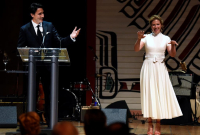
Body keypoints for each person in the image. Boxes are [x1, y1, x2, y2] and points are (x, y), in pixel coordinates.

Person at [17, 2, 81, 126]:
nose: (42, 16)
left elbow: (59, 42)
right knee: (31, 95)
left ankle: (51, 123)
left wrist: (71, 37)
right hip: (32, 67)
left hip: (48, 67)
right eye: (39, 14)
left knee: (50, 95)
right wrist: (28, 50)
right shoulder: (24, 29)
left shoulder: (49, 26)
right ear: (32, 14)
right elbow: (19, 48)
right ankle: (30, 123)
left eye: (43, 13)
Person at [134, 15, 183, 135]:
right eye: (153, 25)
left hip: (160, 68)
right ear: (151, 26)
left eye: (157, 24)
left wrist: (172, 46)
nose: (155, 27)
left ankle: (158, 125)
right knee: (149, 95)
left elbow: (172, 54)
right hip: (148, 67)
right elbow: (136, 49)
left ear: (161, 25)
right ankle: (149, 125)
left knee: (159, 95)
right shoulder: (146, 37)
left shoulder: (166, 38)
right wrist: (139, 39)